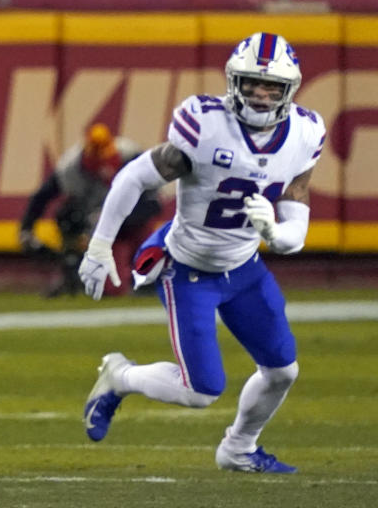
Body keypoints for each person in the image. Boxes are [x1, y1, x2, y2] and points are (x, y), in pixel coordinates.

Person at [78, 33, 325, 474]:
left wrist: (277, 232)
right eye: (252, 84)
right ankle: (121, 376)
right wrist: (100, 243)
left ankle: (239, 448)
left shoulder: (305, 133)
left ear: (290, 89)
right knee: (201, 391)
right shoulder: (205, 124)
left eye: (272, 87)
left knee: (283, 371)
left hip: (245, 266)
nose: (262, 94)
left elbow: (296, 209)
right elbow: (136, 176)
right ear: (234, 82)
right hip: (189, 268)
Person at [19, 123, 160, 297]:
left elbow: (153, 203)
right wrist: (27, 227)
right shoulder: (70, 169)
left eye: (107, 159)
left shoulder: (131, 156)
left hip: (131, 220)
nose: (105, 168)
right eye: (99, 161)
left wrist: (120, 217)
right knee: (109, 288)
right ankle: (74, 271)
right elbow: (42, 196)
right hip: (102, 230)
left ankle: (149, 277)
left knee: (148, 244)